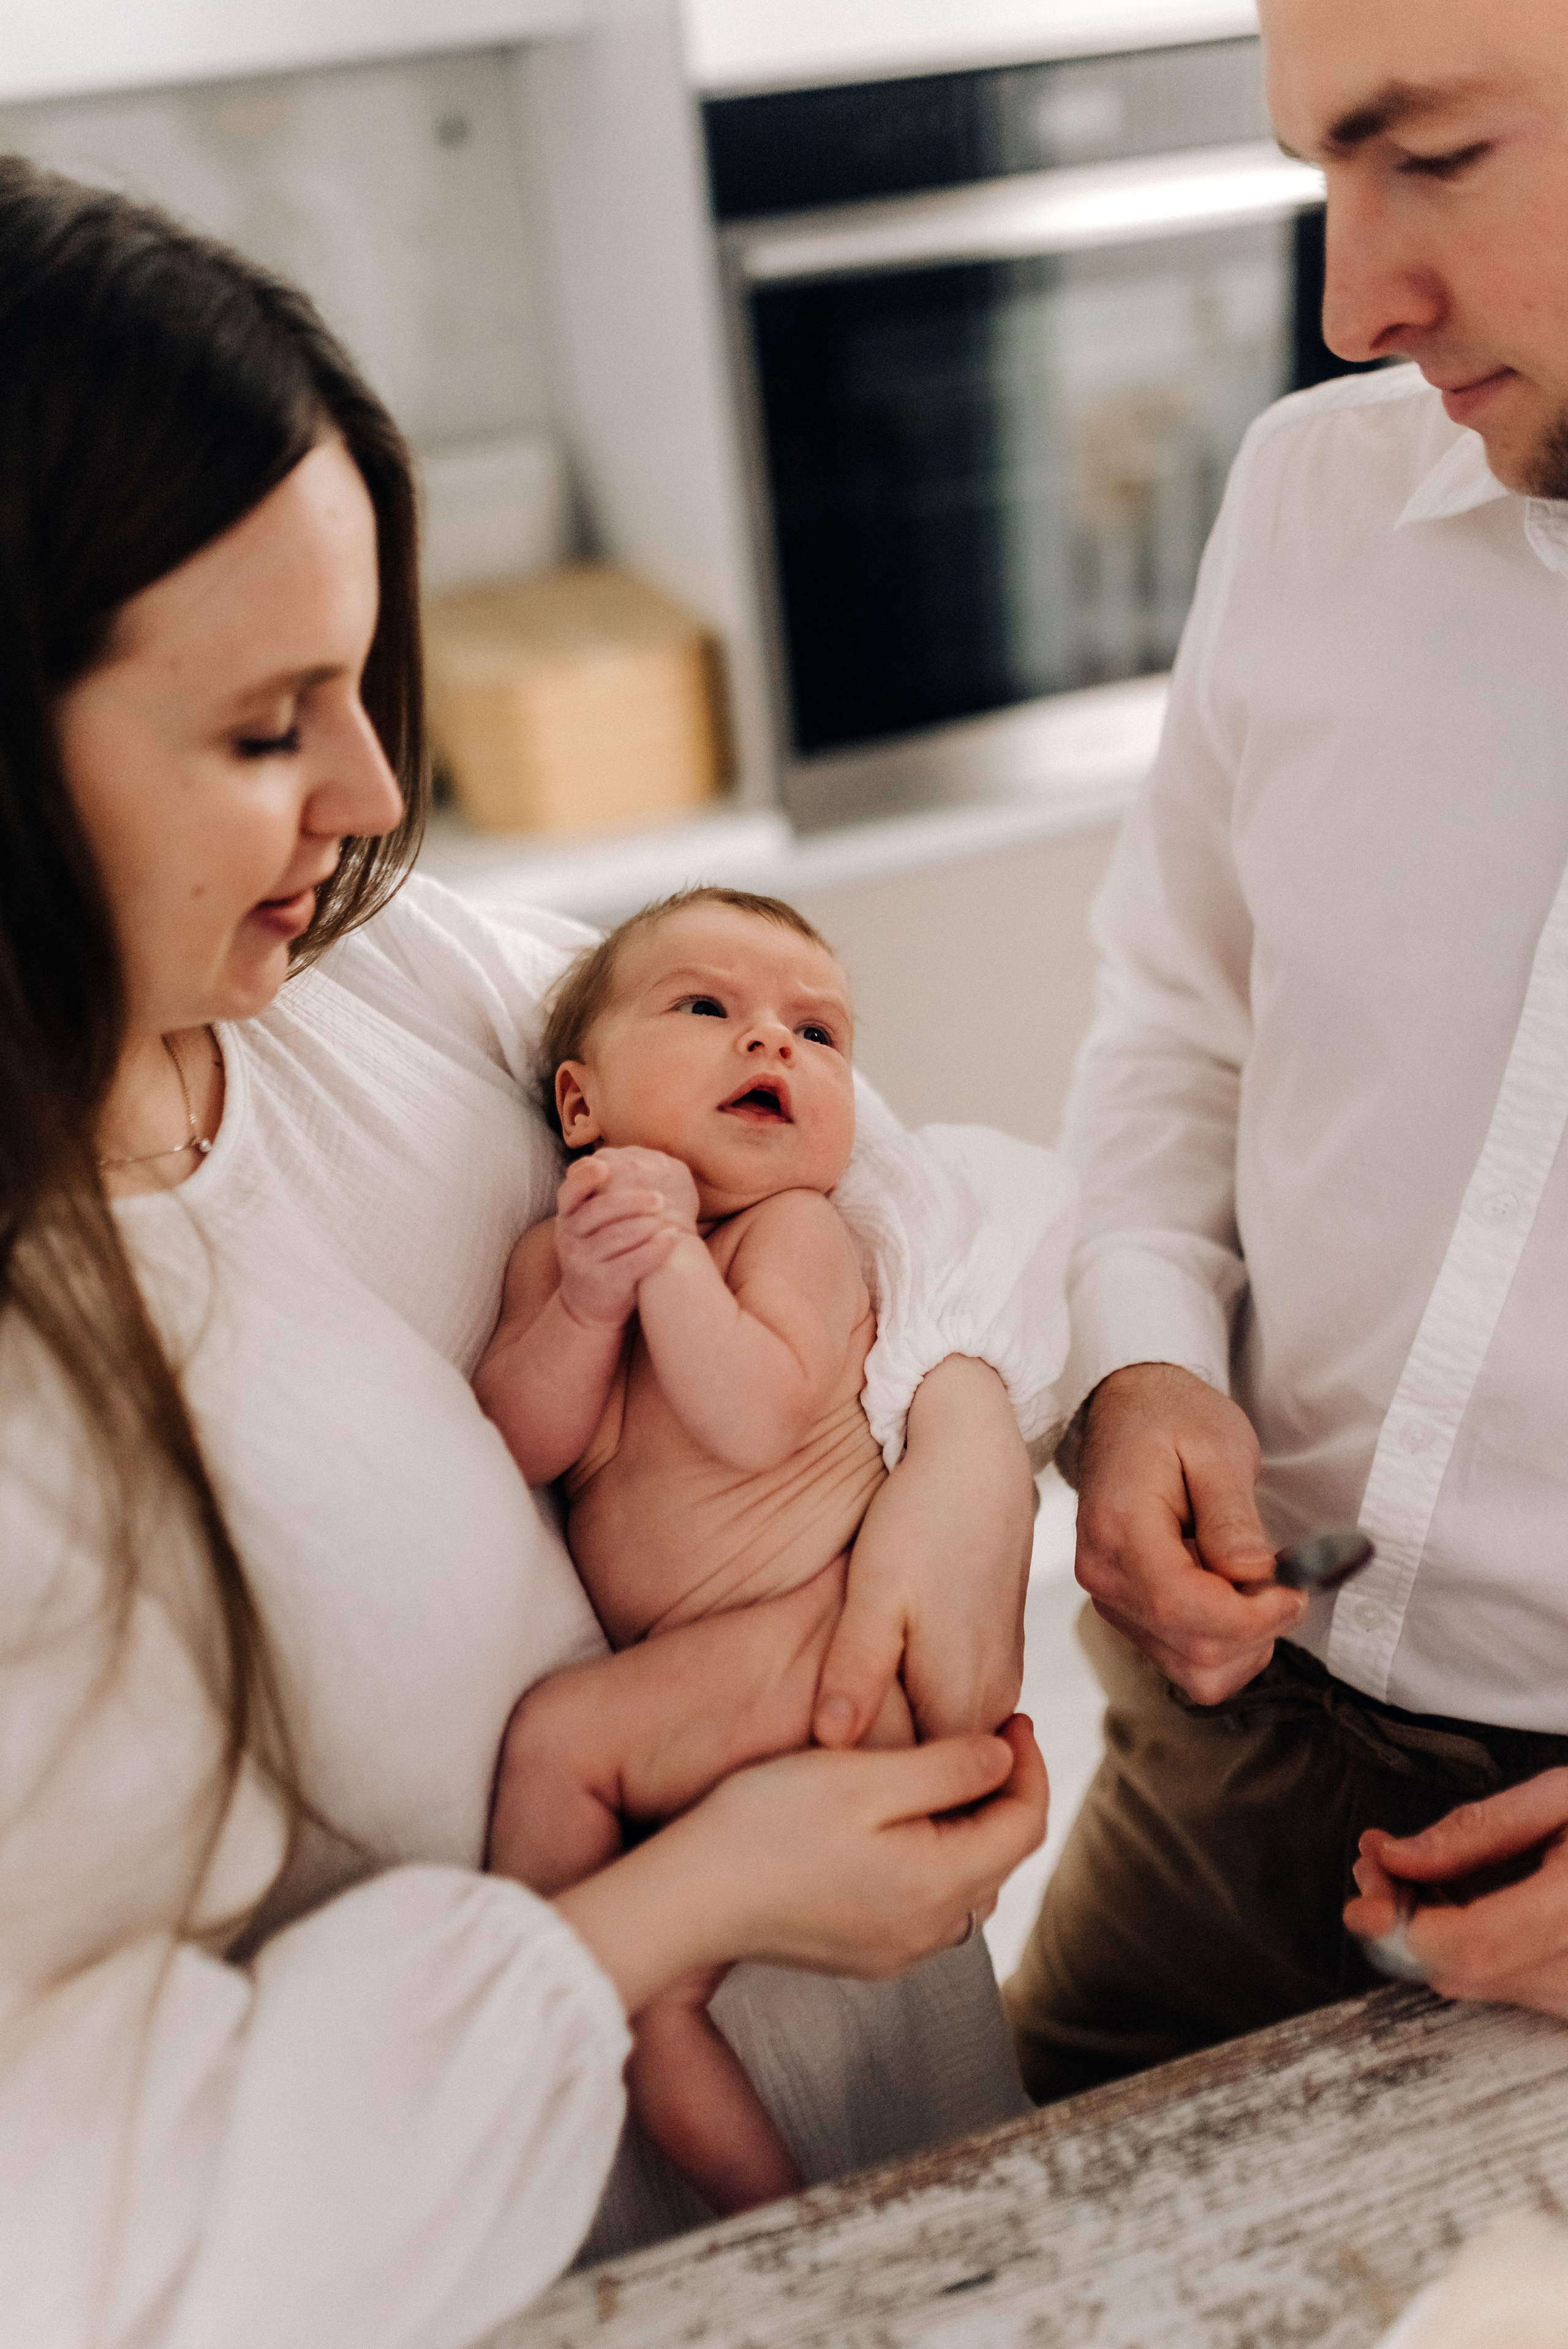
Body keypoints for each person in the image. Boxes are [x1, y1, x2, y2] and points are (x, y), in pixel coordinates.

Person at [0, 159, 1057, 2349]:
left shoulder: (358, 980)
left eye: (362, 679)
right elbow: (109, 2244)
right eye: (266, 723)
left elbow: (887, 1160)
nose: (378, 786)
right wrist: (688, 1907)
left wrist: (964, 1432)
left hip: (932, 2188)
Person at [1004, 0, 1568, 2106]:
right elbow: (1175, 1021)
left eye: (1433, 161)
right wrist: (1143, 1352)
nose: (1351, 306)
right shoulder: (1309, 502)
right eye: (1319, 171)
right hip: (1222, 1747)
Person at [477, 887, 1068, 2218]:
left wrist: (672, 1268)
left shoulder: (795, 1235)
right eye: (707, 1007)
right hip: (714, 1677)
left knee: (555, 1743)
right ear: (581, 1107)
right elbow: (520, 1438)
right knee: (567, 1770)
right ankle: (665, 2047)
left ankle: (596, 2011)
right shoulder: (551, 1255)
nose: (770, 1045)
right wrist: (582, 1296)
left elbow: (750, 1417)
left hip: (815, 1643)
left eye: (818, 1032)